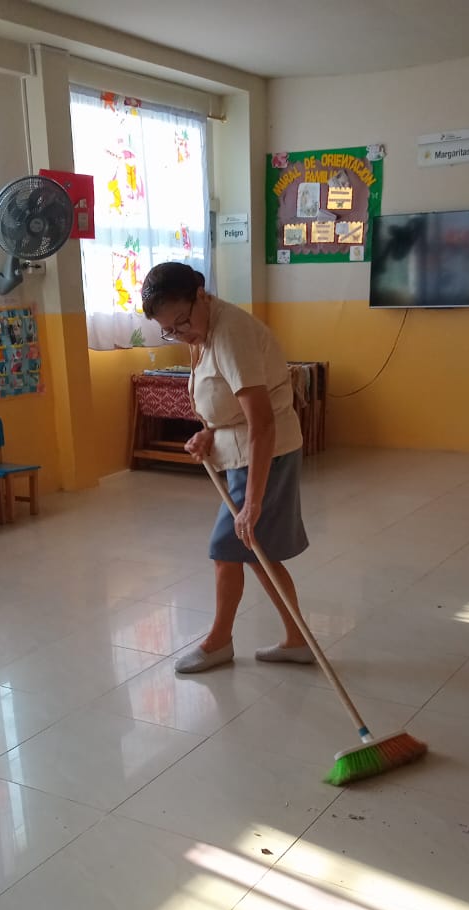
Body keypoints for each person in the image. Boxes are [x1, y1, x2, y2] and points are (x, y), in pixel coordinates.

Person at [140, 261, 314, 675]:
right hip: (242, 453)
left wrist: (252, 503)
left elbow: (262, 422)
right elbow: (226, 404)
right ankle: (297, 640)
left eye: (182, 322)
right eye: (169, 330)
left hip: (265, 454)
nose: (180, 333)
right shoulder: (201, 331)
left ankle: (219, 643)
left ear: (201, 294)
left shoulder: (231, 332)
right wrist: (209, 434)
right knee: (256, 553)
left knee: (228, 549)